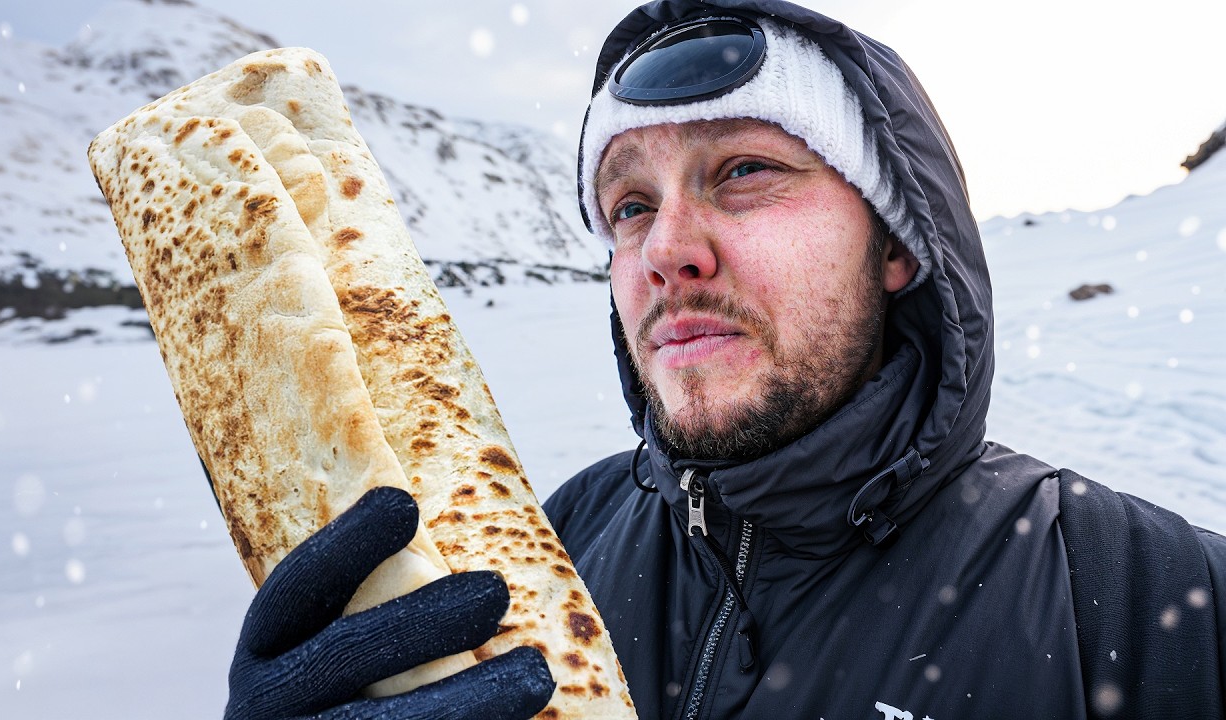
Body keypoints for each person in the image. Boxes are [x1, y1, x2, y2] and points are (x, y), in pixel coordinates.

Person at [222, 2, 1226, 719]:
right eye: (628, 206)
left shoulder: (1148, 602)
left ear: (896, 244)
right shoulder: (546, 547)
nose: (665, 250)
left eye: (744, 170)